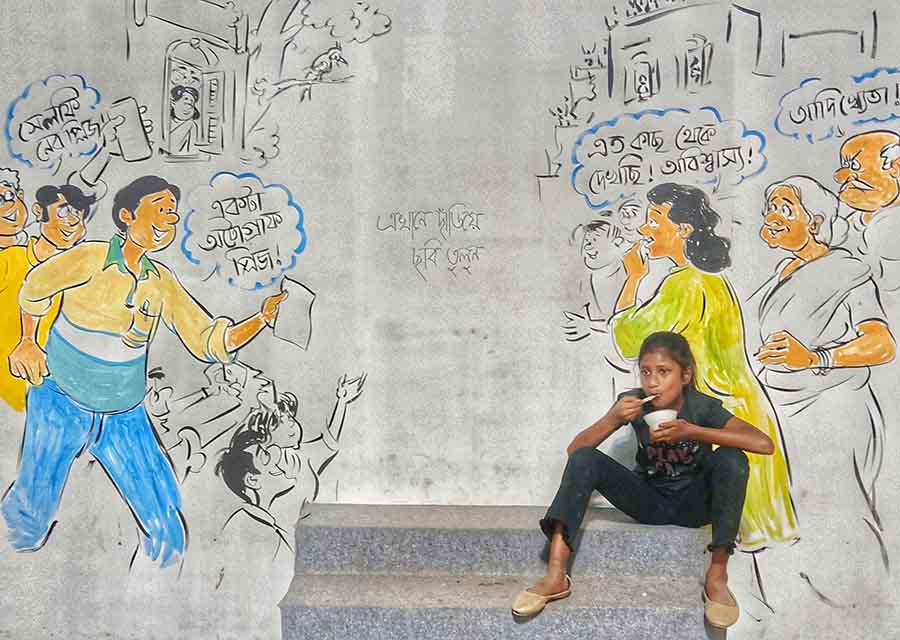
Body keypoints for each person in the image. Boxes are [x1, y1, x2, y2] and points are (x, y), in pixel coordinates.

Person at [1, 175, 288, 568]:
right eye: (159, 208)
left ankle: (161, 588)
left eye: (172, 214)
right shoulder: (91, 256)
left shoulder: (161, 282)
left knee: (165, 519)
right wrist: (29, 341)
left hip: (124, 415)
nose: (168, 220)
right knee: (31, 514)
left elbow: (208, 341)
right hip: (61, 402)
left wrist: (261, 319)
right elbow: (34, 287)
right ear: (126, 215)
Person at [512, 331, 773, 628]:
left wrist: (694, 432)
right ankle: (555, 575)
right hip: (648, 501)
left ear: (685, 375)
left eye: (664, 372)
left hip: (693, 506)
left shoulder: (700, 406)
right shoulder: (633, 403)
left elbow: (764, 444)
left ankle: (716, 577)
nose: (653, 382)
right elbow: (575, 451)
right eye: (646, 372)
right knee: (585, 459)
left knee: (732, 458)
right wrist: (612, 419)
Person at [609, 183, 797, 551]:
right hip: (741, 412)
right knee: (750, 543)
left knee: (733, 537)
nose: (646, 230)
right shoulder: (713, 281)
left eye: (654, 220)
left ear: (683, 229)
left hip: (715, 422)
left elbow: (628, 339)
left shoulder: (684, 284)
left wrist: (633, 278)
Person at [754, 176, 895, 603]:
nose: (771, 217)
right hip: (786, 414)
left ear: (815, 221)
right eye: (769, 208)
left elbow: (882, 343)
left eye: (784, 208)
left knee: (841, 516)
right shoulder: (784, 271)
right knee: (800, 516)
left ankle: (863, 607)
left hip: (833, 413)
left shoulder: (846, 271)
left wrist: (815, 357)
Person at [0, 184, 96, 411]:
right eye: (63, 210)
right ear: (38, 211)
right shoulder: (10, 260)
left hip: (54, 400)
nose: (73, 220)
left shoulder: (83, 278)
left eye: (79, 214)